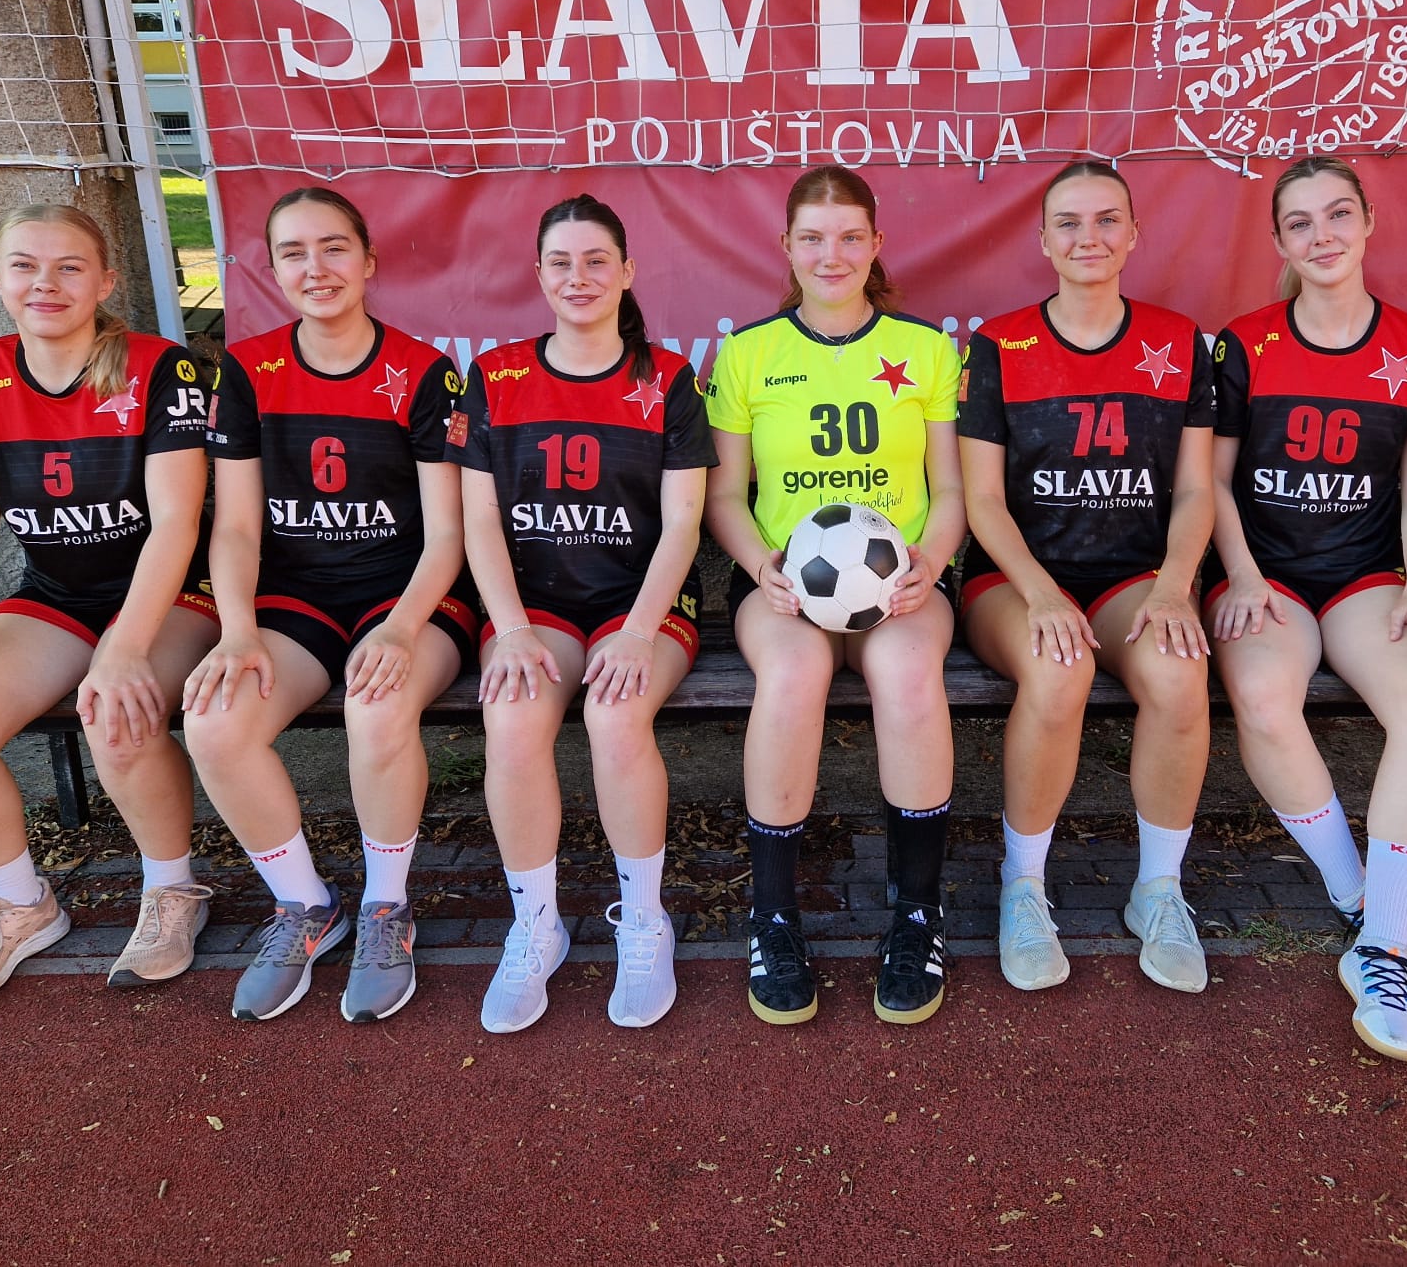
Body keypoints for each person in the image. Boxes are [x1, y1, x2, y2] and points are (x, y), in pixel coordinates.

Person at [0, 203, 218, 999]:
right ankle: (20, 906)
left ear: (104, 282)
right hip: (58, 593)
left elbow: (177, 521)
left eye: (70, 267)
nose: (46, 283)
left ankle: (173, 890)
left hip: (173, 591)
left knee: (116, 710)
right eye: (25, 266)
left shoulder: (160, 366)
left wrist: (126, 647)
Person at [182, 187, 474, 1024]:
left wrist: (403, 627)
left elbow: (447, 534)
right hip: (296, 599)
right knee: (214, 721)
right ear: (272, 270)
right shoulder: (246, 370)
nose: (316, 268)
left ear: (369, 260)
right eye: (294, 252)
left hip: (408, 595)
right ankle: (307, 905)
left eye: (334, 247)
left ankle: (387, 906)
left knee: (377, 706)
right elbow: (237, 526)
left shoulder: (424, 370)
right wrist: (237, 631)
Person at [1202, 156, 1407, 1061]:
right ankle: (1361, 900)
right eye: (1301, 222)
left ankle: (1381, 952)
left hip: (1363, 576)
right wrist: (1240, 575)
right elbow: (1213, 481)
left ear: (1369, 223)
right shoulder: (1245, 344)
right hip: (1264, 572)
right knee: (1264, 695)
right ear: (1279, 241)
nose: (1323, 235)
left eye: (1338, 214)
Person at [705, 165, 965, 1026]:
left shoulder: (926, 350)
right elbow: (723, 495)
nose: (832, 254)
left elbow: (952, 489)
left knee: (907, 675)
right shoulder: (746, 354)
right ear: (786, 247)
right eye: (813, 238)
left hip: (902, 585)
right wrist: (763, 568)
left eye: (851, 236)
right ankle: (774, 919)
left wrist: (930, 559)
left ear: (877, 244)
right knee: (791, 676)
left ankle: (917, 915)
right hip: (786, 588)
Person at [451, 195, 714, 1033]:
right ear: (538, 275)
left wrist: (637, 633)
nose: (579, 277)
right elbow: (479, 521)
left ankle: (644, 920)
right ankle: (537, 925)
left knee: (616, 713)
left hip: (640, 603)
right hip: (536, 605)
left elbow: (683, 524)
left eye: (597, 260)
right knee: (513, 716)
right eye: (561, 262)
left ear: (627, 272)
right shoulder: (495, 376)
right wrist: (510, 630)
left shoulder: (668, 379)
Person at [958, 160, 1218, 999]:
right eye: (1068, 223)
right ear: (1043, 241)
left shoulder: (1179, 341)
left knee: (1179, 674)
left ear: (1134, 234)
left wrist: (1176, 585)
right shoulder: (1000, 345)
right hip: (1017, 579)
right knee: (1058, 667)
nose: (1089, 237)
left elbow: (1194, 489)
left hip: (1135, 575)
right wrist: (1040, 594)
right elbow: (982, 501)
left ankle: (1158, 891)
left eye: (1107, 220)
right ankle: (1023, 886)